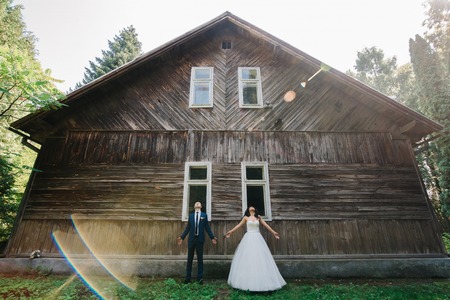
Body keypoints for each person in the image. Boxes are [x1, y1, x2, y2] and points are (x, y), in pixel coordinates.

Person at [225, 206, 286, 291]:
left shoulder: (259, 217)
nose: (251, 207)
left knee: (259, 258)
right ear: (248, 210)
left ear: (255, 209)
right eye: (250, 207)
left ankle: (263, 281)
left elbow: (266, 225)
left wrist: (273, 232)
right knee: (248, 258)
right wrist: (231, 231)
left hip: (257, 238)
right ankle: (246, 282)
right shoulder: (246, 218)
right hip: (248, 238)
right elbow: (238, 225)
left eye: (253, 207)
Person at [177, 201, 217, 284]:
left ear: (201, 206)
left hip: (200, 239)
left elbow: (207, 228)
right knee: (190, 259)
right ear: (194, 206)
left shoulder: (204, 215)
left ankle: (200, 278)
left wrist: (212, 237)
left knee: (200, 259)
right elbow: (188, 228)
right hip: (191, 239)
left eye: (199, 203)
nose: (198, 203)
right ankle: (188, 278)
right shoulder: (191, 216)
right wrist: (182, 237)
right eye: (196, 203)